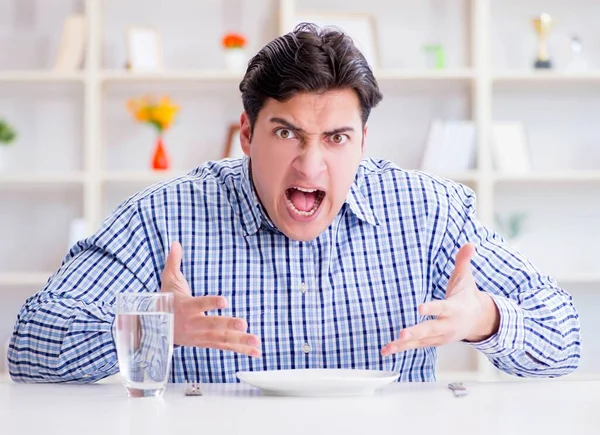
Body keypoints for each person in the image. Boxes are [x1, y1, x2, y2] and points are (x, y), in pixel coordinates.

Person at [8, 24, 580, 383]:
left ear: (363, 141)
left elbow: (566, 336)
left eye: (336, 138)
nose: (310, 166)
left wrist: (486, 319)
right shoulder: (164, 216)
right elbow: (29, 344)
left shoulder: (431, 214)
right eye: (286, 135)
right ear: (247, 134)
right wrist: (150, 326)